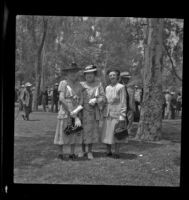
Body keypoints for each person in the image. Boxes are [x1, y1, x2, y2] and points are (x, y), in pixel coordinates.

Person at [73, 65, 105, 160]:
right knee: (81, 131)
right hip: (81, 112)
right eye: (87, 74)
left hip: (92, 112)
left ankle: (89, 151)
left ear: (94, 74)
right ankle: (82, 150)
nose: (89, 75)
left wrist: (97, 100)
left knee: (91, 132)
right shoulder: (81, 84)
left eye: (91, 73)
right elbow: (75, 96)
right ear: (85, 75)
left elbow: (104, 97)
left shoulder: (98, 84)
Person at [54, 62, 83, 161]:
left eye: (75, 71)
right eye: (71, 72)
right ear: (67, 73)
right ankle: (60, 153)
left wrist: (76, 111)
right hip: (65, 110)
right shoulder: (64, 83)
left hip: (76, 109)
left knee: (73, 131)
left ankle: (72, 153)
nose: (73, 73)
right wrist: (70, 111)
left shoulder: (80, 85)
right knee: (62, 131)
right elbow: (61, 98)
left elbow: (82, 99)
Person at [101, 69, 128, 159]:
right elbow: (105, 101)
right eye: (110, 75)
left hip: (117, 113)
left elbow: (123, 102)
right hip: (107, 113)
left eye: (114, 75)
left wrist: (122, 115)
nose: (112, 77)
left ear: (117, 76)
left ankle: (116, 152)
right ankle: (108, 151)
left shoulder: (121, 87)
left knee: (117, 133)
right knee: (107, 133)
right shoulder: (107, 88)